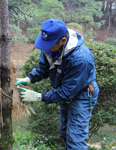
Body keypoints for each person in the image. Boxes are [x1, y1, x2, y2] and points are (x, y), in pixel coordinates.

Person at [15, 19, 99, 149]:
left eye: (47, 45)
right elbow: (44, 67)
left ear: (63, 41)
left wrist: (39, 96)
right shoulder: (51, 46)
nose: (44, 48)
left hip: (82, 94)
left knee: (75, 139)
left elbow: (66, 92)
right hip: (66, 91)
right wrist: (29, 78)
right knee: (65, 133)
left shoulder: (81, 59)